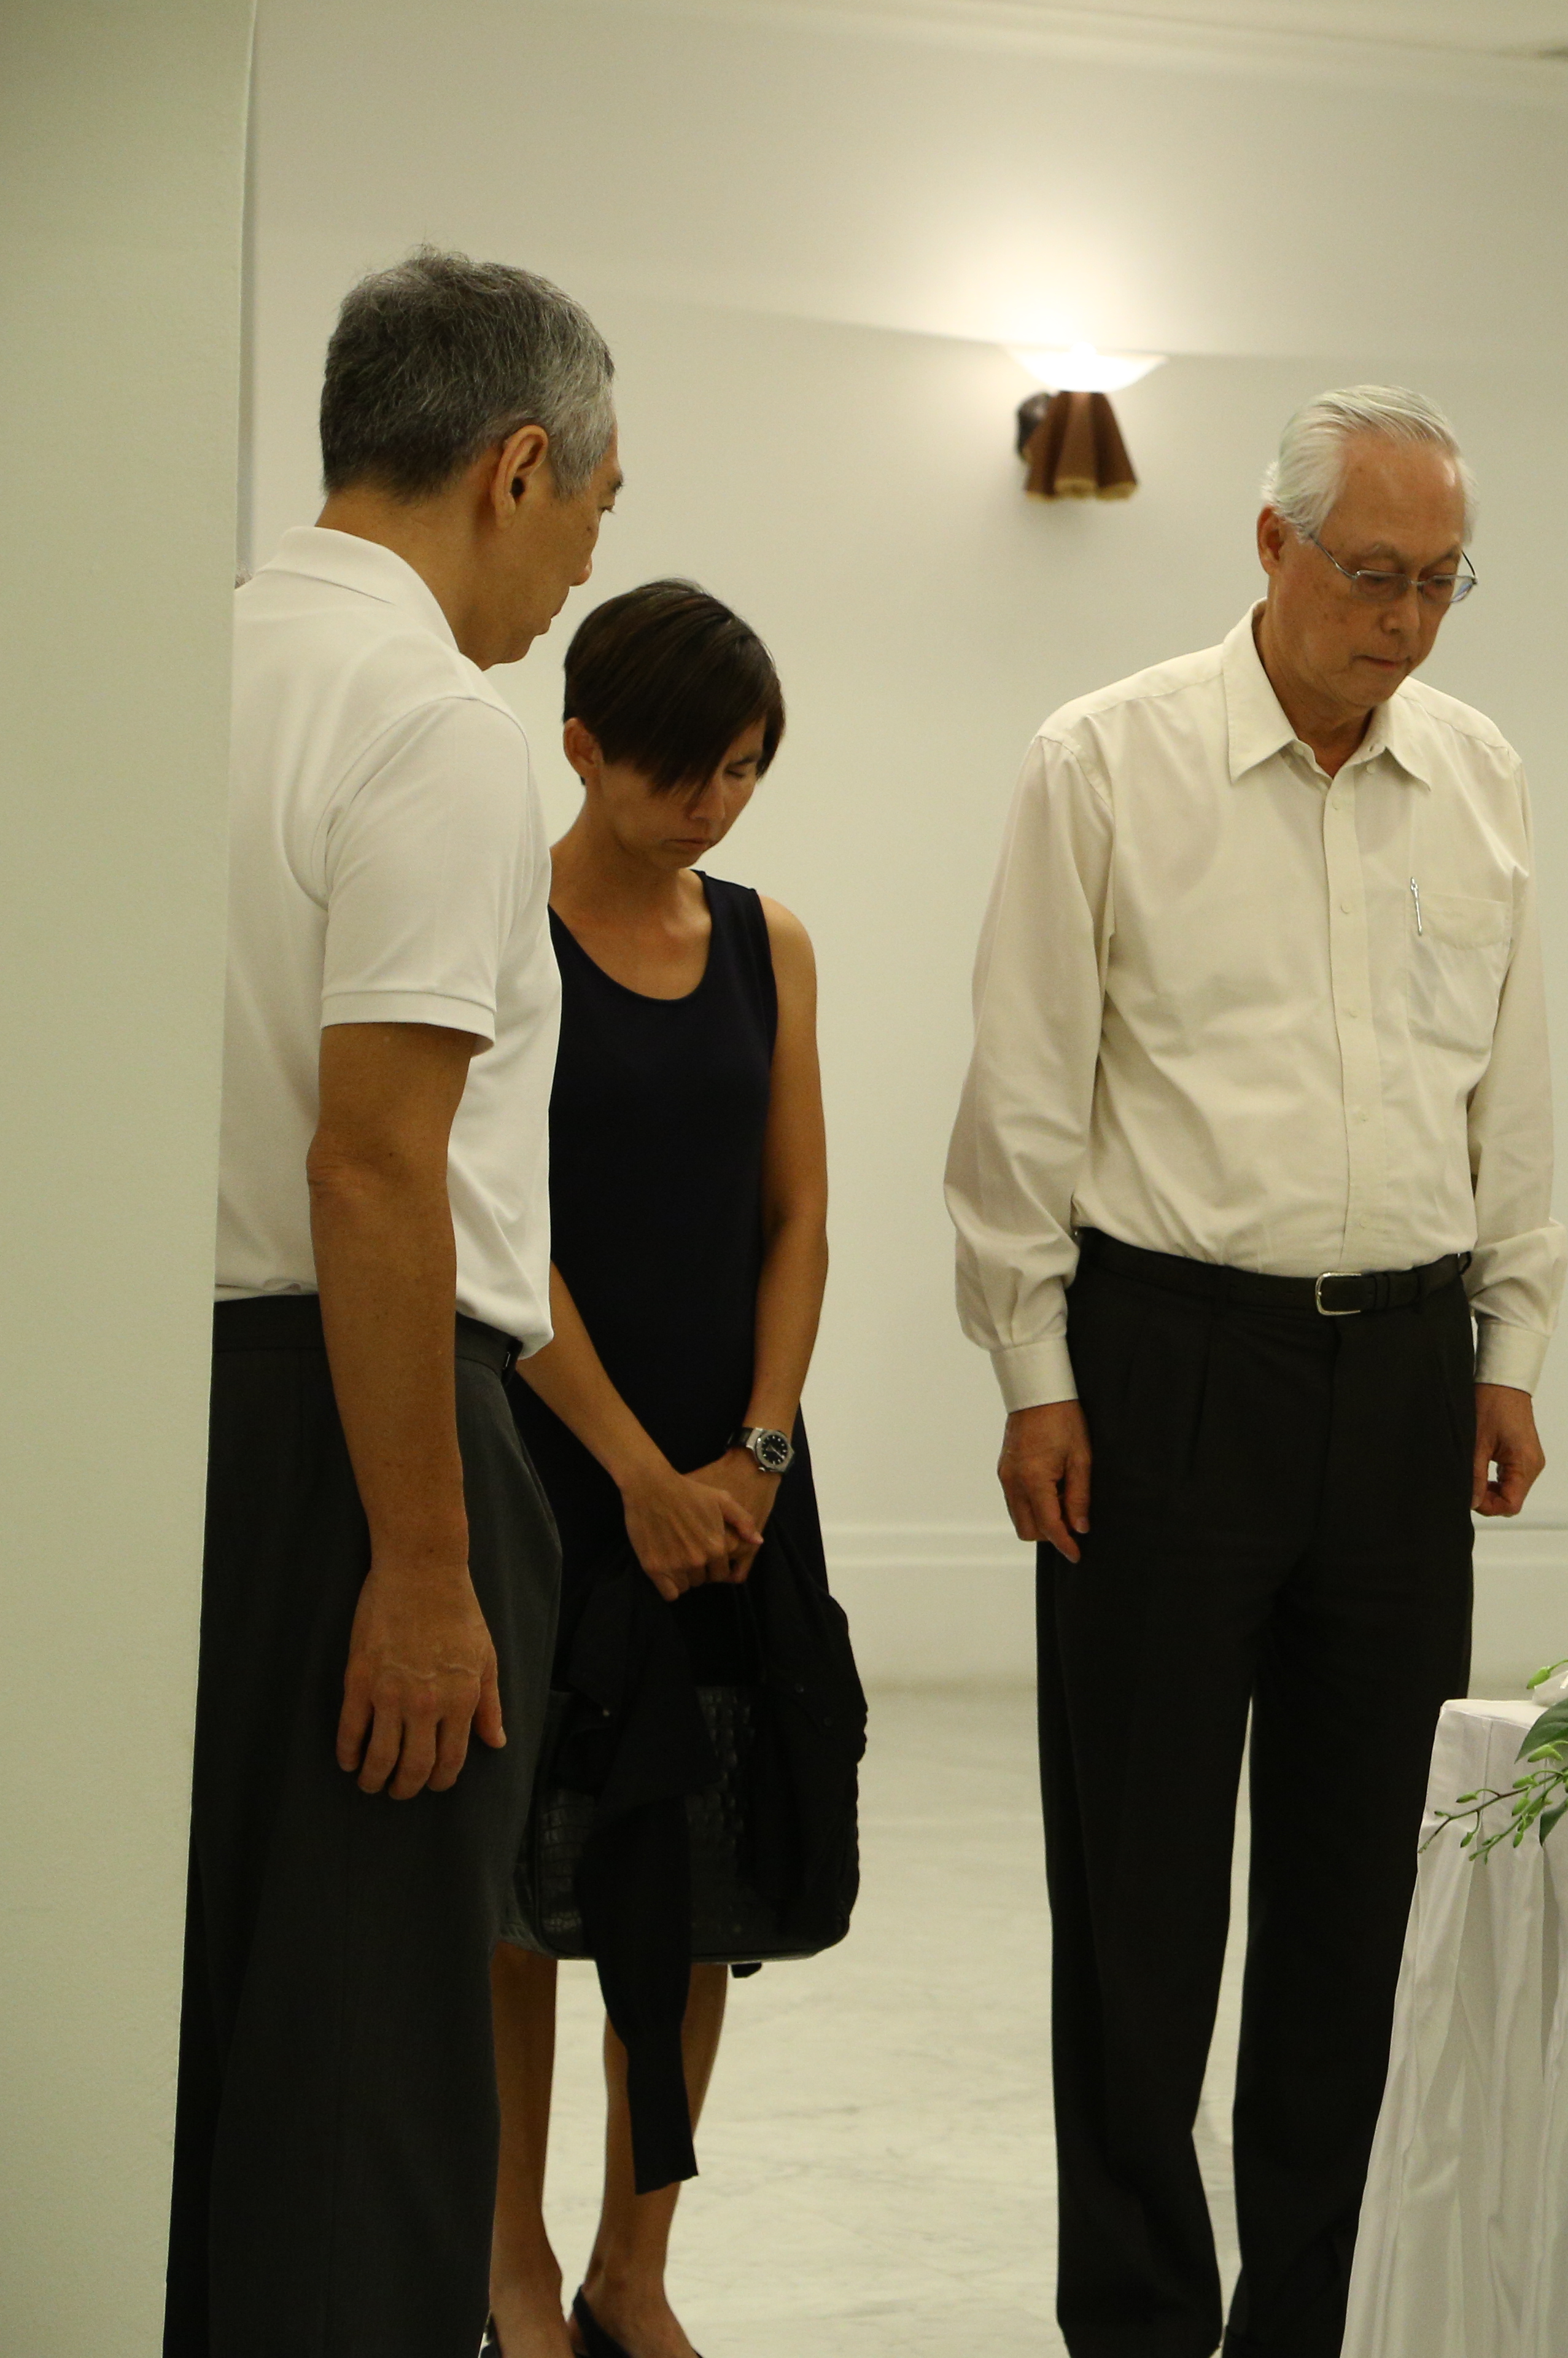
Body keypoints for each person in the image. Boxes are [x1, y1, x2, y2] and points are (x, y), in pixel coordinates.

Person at [945, 385, 1562, 2357]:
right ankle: (1137, 2322)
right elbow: (1025, 1091)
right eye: (1372, 573)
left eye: (1441, 582)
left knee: (1356, 1894)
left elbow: (1512, 1084)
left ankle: (1309, 2315)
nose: (1404, 617)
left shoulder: (1478, 775)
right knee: (1138, 1900)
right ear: (1275, 550)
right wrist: (1033, 1361)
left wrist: (1511, 1333)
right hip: (1164, 1359)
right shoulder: (1108, 761)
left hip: (1401, 1362)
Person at [179, 249, 618, 2358]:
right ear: (515, 467)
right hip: (362, 1425)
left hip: (155, 1403)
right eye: (595, 510)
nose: (573, 573)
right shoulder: (433, 719)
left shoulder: (181, 662)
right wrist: (427, 1559)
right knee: (364, 2060)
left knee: (184, 2019)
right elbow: (375, 1161)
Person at [486, 583, 861, 2358]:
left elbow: (798, 1213)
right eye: (680, 780)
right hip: (558, 1468)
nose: (714, 808)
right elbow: (503, 1236)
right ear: (581, 752)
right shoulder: (502, 932)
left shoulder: (766, 939)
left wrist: (756, 1453)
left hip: (735, 1487)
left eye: (743, 772)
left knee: (704, 1866)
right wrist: (640, 1470)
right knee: (530, 1884)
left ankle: (635, 2271)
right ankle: (508, 2269)